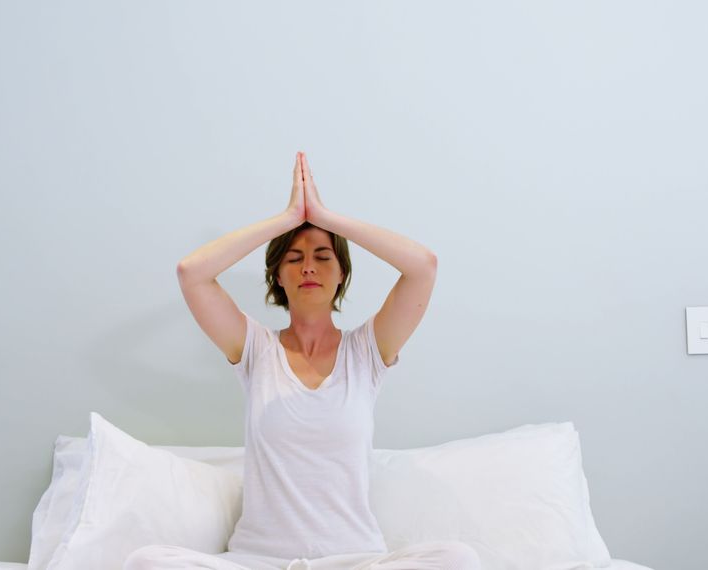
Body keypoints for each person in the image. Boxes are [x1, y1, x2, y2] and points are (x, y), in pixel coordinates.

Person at [123, 152, 480, 570]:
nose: (308, 267)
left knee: (458, 559)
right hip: (258, 561)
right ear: (278, 275)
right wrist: (289, 218)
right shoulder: (256, 349)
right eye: (294, 258)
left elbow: (423, 267)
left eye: (323, 256)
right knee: (148, 562)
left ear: (342, 272)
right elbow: (192, 273)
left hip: (354, 560)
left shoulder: (365, 353)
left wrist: (326, 217)